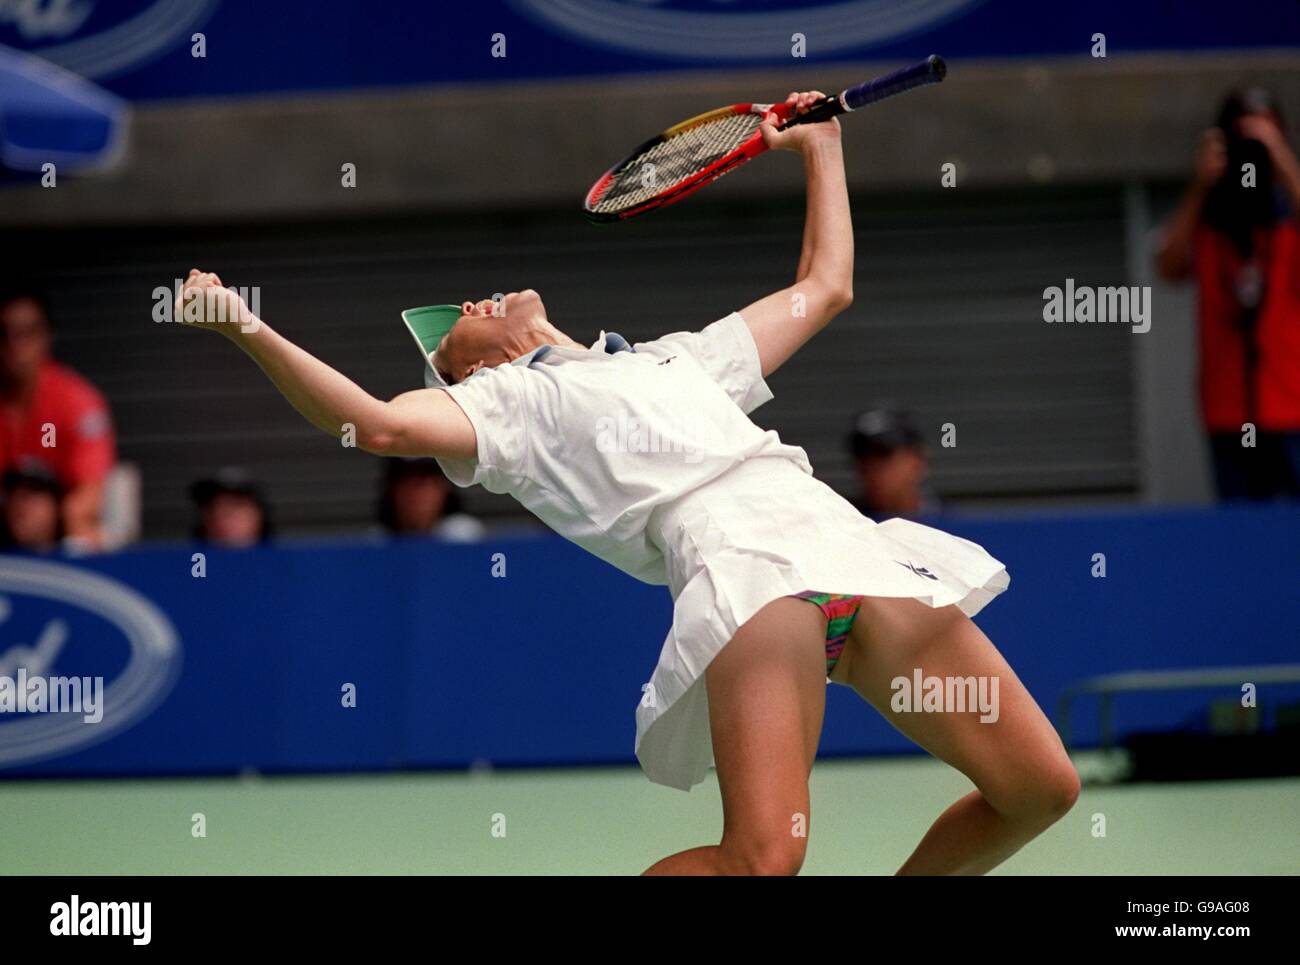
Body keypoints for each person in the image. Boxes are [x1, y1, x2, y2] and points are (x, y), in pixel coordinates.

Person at [174, 91, 1077, 875]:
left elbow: (826, 283)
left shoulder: (678, 360)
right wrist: (244, 327)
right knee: (765, 857)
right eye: (454, 329)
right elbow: (374, 421)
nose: (475, 304)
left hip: (857, 556)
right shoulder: (514, 410)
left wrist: (822, 148)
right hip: (756, 580)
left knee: (1041, 788)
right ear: (468, 375)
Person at [1156, 88, 1300, 501]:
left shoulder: (1289, 215)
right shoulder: (1208, 217)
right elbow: (1168, 265)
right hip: (1228, 412)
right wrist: (1201, 185)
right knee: (1239, 534)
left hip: (1290, 409)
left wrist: (1281, 161)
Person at [0, 286, 116, 546]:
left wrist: (55, 518)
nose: (16, 346)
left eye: (26, 333)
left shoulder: (79, 402)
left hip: (59, 529)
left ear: (46, 337)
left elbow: (88, 494)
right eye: (5, 335)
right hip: (4, 523)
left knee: (85, 534)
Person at [848, 406, 939, 519]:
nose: (872, 465)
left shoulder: (954, 528)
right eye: (862, 455)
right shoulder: (840, 527)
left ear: (917, 461)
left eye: (884, 453)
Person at [378, 457, 485, 541]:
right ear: (392, 489)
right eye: (406, 481)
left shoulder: (465, 537)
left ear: (445, 487)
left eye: (424, 482)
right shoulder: (375, 544)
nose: (417, 493)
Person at [190, 467, 273, 548]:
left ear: (259, 514)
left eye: (236, 505)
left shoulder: (282, 560)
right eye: (212, 507)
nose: (219, 515)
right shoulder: (186, 559)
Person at [0, 460, 63, 552]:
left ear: (56, 506)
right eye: (12, 494)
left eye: (32, 493)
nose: (19, 504)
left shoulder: (79, 559)